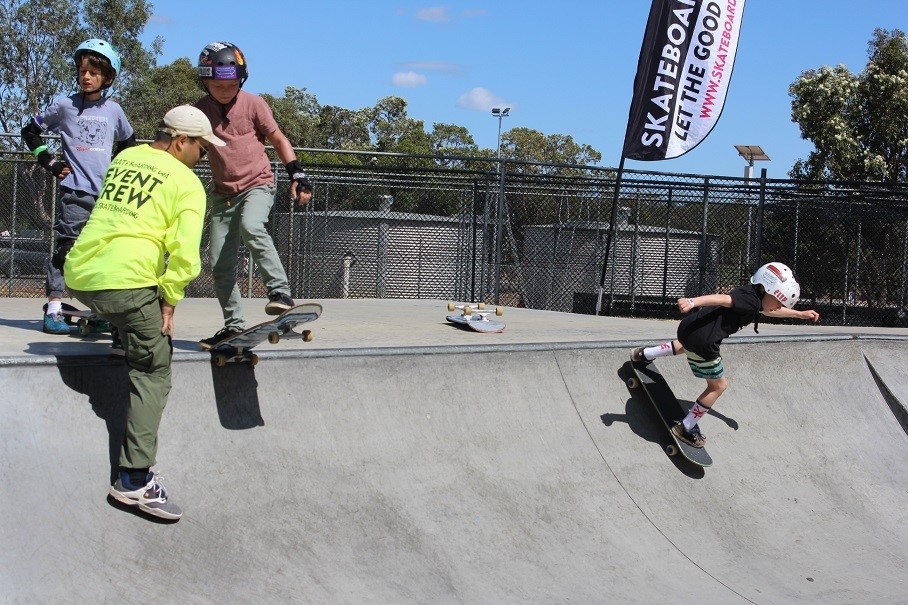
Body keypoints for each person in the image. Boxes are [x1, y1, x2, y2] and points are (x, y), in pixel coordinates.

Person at [64, 105, 225, 520]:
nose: (202, 158)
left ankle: (120, 330)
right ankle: (134, 481)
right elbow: (186, 257)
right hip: (125, 286)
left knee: (131, 304)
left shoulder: (126, 157)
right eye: (201, 149)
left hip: (81, 276)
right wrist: (170, 302)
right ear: (180, 141)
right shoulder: (188, 184)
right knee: (154, 367)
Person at [192, 41, 313, 350]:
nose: (223, 90)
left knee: (252, 226)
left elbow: (277, 138)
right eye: (216, 85)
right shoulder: (200, 112)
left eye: (230, 84)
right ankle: (233, 326)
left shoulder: (254, 104)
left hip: (258, 184)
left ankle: (279, 292)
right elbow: (191, 150)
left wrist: (297, 174)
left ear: (241, 80)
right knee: (218, 264)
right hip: (223, 196)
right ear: (205, 81)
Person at [21, 39, 136, 345]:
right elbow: (29, 130)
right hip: (75, 191)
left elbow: (129, 141)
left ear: (107, 77)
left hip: (106, 197)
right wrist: (49, 161)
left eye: (94, 72)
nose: (86, 77)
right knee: (66, 247)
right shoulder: (65, 105)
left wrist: (118, 171)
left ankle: (99, 311)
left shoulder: (114, 111)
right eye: (82, 71)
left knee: (102, 254)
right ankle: (55, 308)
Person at [630, 262, 820, 448]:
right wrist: (692, 301)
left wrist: (799, 314)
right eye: (779, 301)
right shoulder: (750, 301)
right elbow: (723, 299)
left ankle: (643, 354)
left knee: (685, 345)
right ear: (766, 288)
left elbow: (770, 311)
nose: (779, 306)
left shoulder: (753, 295)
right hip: (704, 342)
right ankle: (685, 427)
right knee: (719, 386)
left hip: (691, 328)